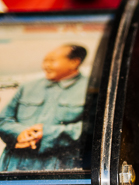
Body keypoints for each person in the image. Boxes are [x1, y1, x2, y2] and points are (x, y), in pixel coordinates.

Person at [0, 44, 89, 172]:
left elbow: (93, 128)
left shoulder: (90, 89)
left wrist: (46, 133)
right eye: (45, 61)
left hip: (59, 171)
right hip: (13, 167)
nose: (45, 65)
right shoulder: (28, 87)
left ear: (74, 62)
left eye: (52, 60)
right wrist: (20, 133)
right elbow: (3, 119)